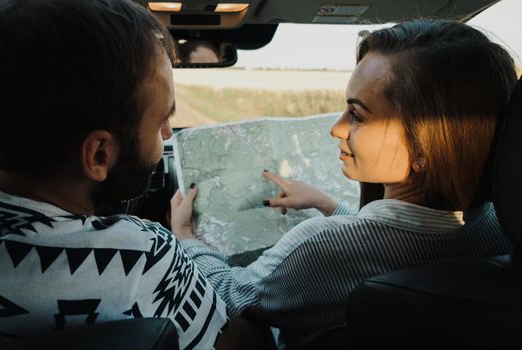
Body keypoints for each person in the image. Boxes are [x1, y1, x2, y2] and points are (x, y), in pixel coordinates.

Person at [171, 20, 519, 346]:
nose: (336, 128)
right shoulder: (498, 232)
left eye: (357, 114)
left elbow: (231, 293)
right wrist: (328, 205)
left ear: (425, 148)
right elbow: (399, 244)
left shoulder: (320, 247)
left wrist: (186, 239)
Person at [0, 1, 229, 349]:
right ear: (99, 155)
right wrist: (186, 240)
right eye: (161, 120)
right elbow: (238, 341)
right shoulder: (142, 257)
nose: (168, 135)